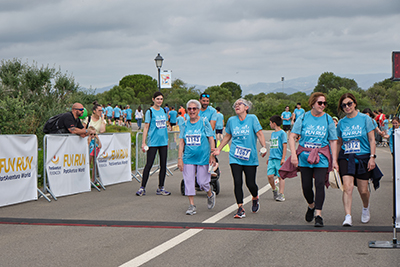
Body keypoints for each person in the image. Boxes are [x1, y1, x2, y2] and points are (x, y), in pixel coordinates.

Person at [280, 92, 338, 227]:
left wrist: (334, 160)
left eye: (324, 103)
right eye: (320, 103)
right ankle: (311, 205)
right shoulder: (304, 117)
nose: (322, 106)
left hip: (321, 156)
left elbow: (333, 140)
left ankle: (318, 214)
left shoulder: (328, 119)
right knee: (306, 186)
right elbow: (292, 136)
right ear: (312, 103)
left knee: (319, 183)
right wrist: (294, 155)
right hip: (305, 156)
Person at [213, 99, 267, 219]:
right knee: (237, 182)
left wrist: (264, 147)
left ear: (246, 107)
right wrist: (219, 149)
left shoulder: (252, 118)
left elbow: (259, 134)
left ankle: (255, 197)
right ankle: (240, 208)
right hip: (235, 156)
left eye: (239, 104)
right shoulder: (232, 120)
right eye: (235, 105)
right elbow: (227, 136)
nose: (237, 106)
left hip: (250, 157)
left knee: (250, 183)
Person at [336, 93, 383, 227]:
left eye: (349, 103)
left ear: (355, 103)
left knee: (363, 190)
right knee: (347, 187)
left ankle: (365, 207)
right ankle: (348, 216)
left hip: (363, 156)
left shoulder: (365, 119)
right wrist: (335, 160)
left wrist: (372, 157)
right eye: (344, 105)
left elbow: (372, 140)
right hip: (346, 156)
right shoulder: (341, 123)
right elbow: (339, 142)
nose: (347, 107)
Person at [178, 100, 216, 215]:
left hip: (203, 157)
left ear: (198, 110)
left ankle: (210, 194)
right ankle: (191, 205)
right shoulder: (184, 124)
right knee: (188, 181)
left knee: (202, 182)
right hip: (188, 157)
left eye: (194, 108)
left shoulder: (204, 122)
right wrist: (180, 158)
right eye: (189, 109)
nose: (192, 111)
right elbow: (181, 142)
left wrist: (212, 155)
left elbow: (211, 138)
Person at [136, 91, 171, 196]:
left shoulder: (164, 111)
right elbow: (146, 127)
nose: (159, 101)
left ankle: (161, 187)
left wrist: (167, 139)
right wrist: (143, 142)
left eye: (161, 99)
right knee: (149, 165)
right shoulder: (149, 112)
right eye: (157, 99)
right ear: (153, 99)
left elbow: (165, 125)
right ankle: (142, 187)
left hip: (163, 142)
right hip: (153, 143)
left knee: (163, 165)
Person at [267, 115, 287, 202]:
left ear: (274, 123)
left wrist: (283, 158)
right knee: (270, 176)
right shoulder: (273, 133)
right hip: (272, 158)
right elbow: (272, 146)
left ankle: (281, 194)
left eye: (270, 123)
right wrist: (269, 157)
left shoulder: (282, 133)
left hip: (279, 158)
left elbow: (285, 145)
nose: (269, 124)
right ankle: (274, 189)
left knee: (280, 177)